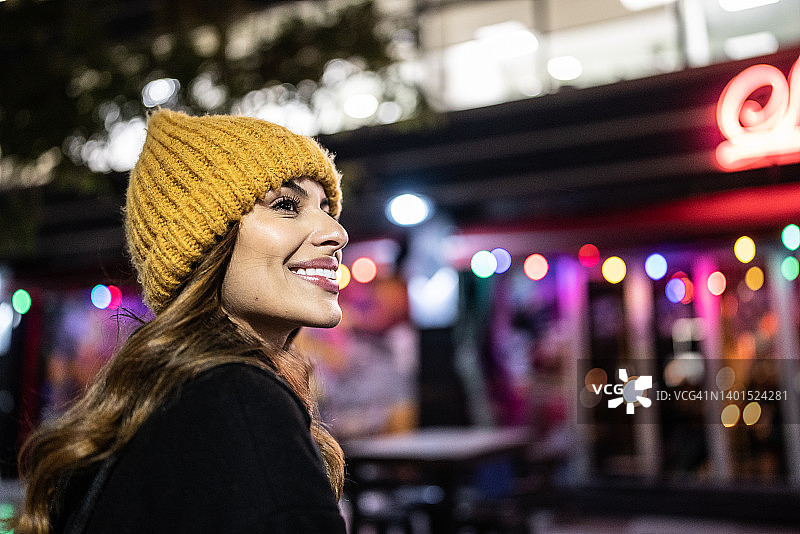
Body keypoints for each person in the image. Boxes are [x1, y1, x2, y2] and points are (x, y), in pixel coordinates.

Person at [9, 109, 349, 533]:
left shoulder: (163, 398)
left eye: (325, 207)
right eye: (285, 205)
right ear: (204, 243)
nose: (337, 232)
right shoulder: (239, 396)